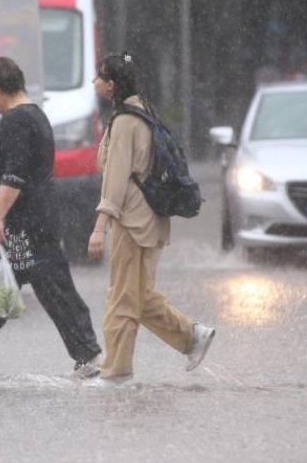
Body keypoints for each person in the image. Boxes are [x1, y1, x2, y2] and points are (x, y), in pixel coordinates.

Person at [0, 56, 103, 376]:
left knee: (49, 290)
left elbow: (14, 176)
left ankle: (90, 357)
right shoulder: (34, 116)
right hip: (25, 227)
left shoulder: (16, 121)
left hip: (21, 228)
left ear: (1, 88)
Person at [87, 52, 215, 381]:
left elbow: (114, 181)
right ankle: (192, 336)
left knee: (121, 300)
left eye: (99, 77)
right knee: (138, 296)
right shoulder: (142, 110)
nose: (94, 82)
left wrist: (99, 228)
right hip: (152, 219)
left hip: (133, 221)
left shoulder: (125, 121)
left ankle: (116, 373)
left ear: (111, 85)